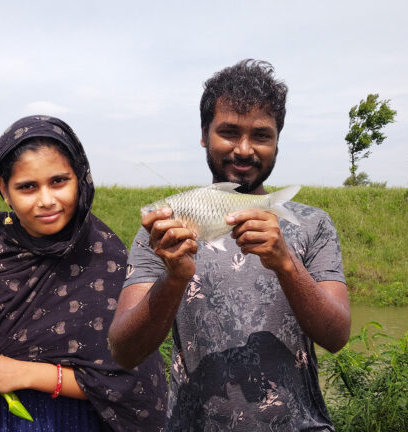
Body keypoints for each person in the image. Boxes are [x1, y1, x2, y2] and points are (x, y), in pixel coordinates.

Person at [108, 60, 350, 431]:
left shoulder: (312, 225)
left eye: (261, 136)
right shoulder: (163, 230)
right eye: (229, 132)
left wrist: (286, 264)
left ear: (277, 141)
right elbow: (124, 352)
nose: (244, 149)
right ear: (205, 135)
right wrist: (174, 278)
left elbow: (336, 337)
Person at [0, 115, 167, 432]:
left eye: (58, 181)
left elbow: (128, 383)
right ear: (4, 189)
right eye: (27, 187)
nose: (46, 200)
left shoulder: (102, 256)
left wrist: (25, 373)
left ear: (79, 178)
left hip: (64, 419)